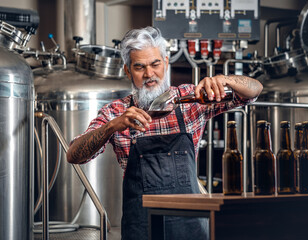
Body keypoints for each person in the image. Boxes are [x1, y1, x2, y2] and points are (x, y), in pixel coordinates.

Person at [67, 26, 263, 240]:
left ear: (166, 63)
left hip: (191, 229)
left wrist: (225, 80)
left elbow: (254, 91)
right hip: (142, 230)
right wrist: (112, 126)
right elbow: (74, 155)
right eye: (139, 67)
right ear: (127, 70)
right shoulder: (115, 112)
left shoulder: (191, 99)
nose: (149, 74)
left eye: (155, 64)